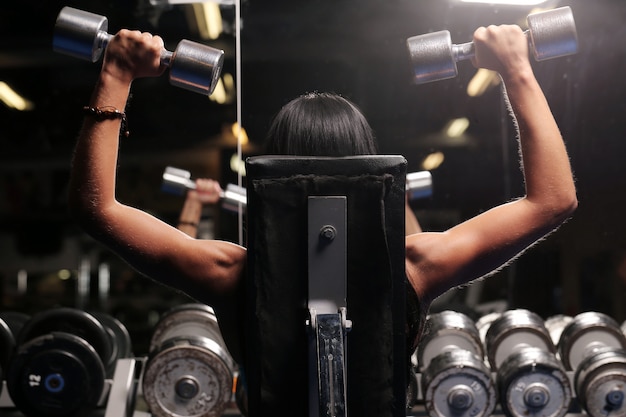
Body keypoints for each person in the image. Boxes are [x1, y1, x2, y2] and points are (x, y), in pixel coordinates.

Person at [68, 24, 577, 366]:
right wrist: (517, 68)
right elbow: (552, 201)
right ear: (366, 167)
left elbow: (97, 209)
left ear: (271, 176)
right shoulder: (416, 264)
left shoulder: (229, 274)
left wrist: (115, 74)